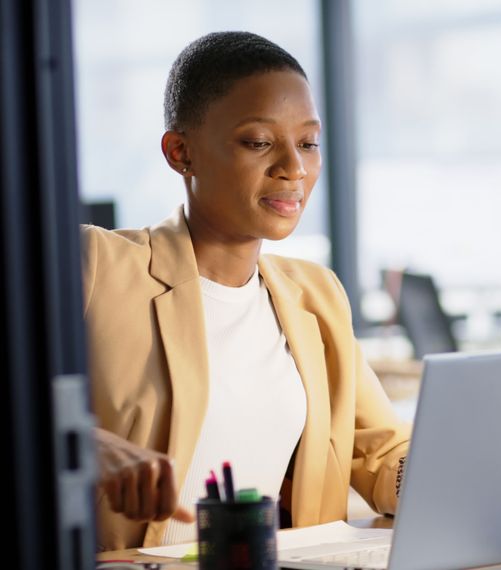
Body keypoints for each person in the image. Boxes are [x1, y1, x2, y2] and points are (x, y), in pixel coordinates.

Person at [85, 31, 410, 551]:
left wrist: (446, 471)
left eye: (307, 142)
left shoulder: (314, 294)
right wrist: (81, 444)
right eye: (259, 142)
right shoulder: (98, 266)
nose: (294, 168)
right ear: (180, 152)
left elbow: (379, 452)